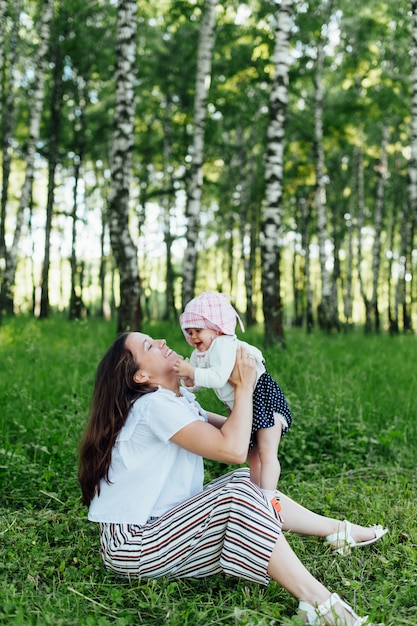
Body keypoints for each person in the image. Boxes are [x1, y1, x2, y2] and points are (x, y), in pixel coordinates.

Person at [78, 331, 388, 625]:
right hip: (133, 544)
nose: (161, 341)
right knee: (238, 489)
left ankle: (337, 531)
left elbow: (237, 430)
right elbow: (233, 448)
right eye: (148, 346)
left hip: (164, 527)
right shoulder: (152, 407)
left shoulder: (176, 401)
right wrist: (243, 387)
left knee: (247, 482)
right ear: (141, 376)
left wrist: (246, 392)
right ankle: (319, 604)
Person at [173, 291, 292, 512]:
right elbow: (199, 381)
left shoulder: (223, 344)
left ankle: (269, 499)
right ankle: (258, 498)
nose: (193, 337)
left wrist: (192, 371)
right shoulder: (200, 353)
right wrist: (188, 379)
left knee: (266, 451)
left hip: (262, 398)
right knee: (254, 457)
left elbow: (218, 377)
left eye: (198, 330)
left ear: (216, 328)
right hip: (242, 403)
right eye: (188, 332)